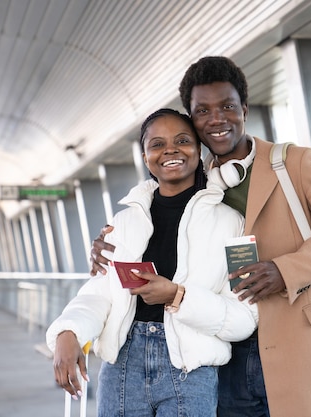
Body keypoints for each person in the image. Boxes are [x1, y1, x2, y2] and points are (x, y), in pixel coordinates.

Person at [90, 57, 311, 417]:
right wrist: (107, 244)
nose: (217, 119)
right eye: (203, 111)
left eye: (227, 106)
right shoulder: (198, 182)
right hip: (223, 353)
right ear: (192, 121)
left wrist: (284, 269)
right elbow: (150, 217)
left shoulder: (293, 164)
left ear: (245, 109)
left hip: (294, 339)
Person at [47, 108, 258, 417]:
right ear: (146, 157)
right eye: (157, 144)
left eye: (182, 140)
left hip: (191, 372)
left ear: (198, 150)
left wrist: (178, 297)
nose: (170, 149)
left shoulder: (235, 224)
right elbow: (99, 292)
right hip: (121, 368)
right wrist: (69, 332)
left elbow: (245, 318)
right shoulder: (122, 223)